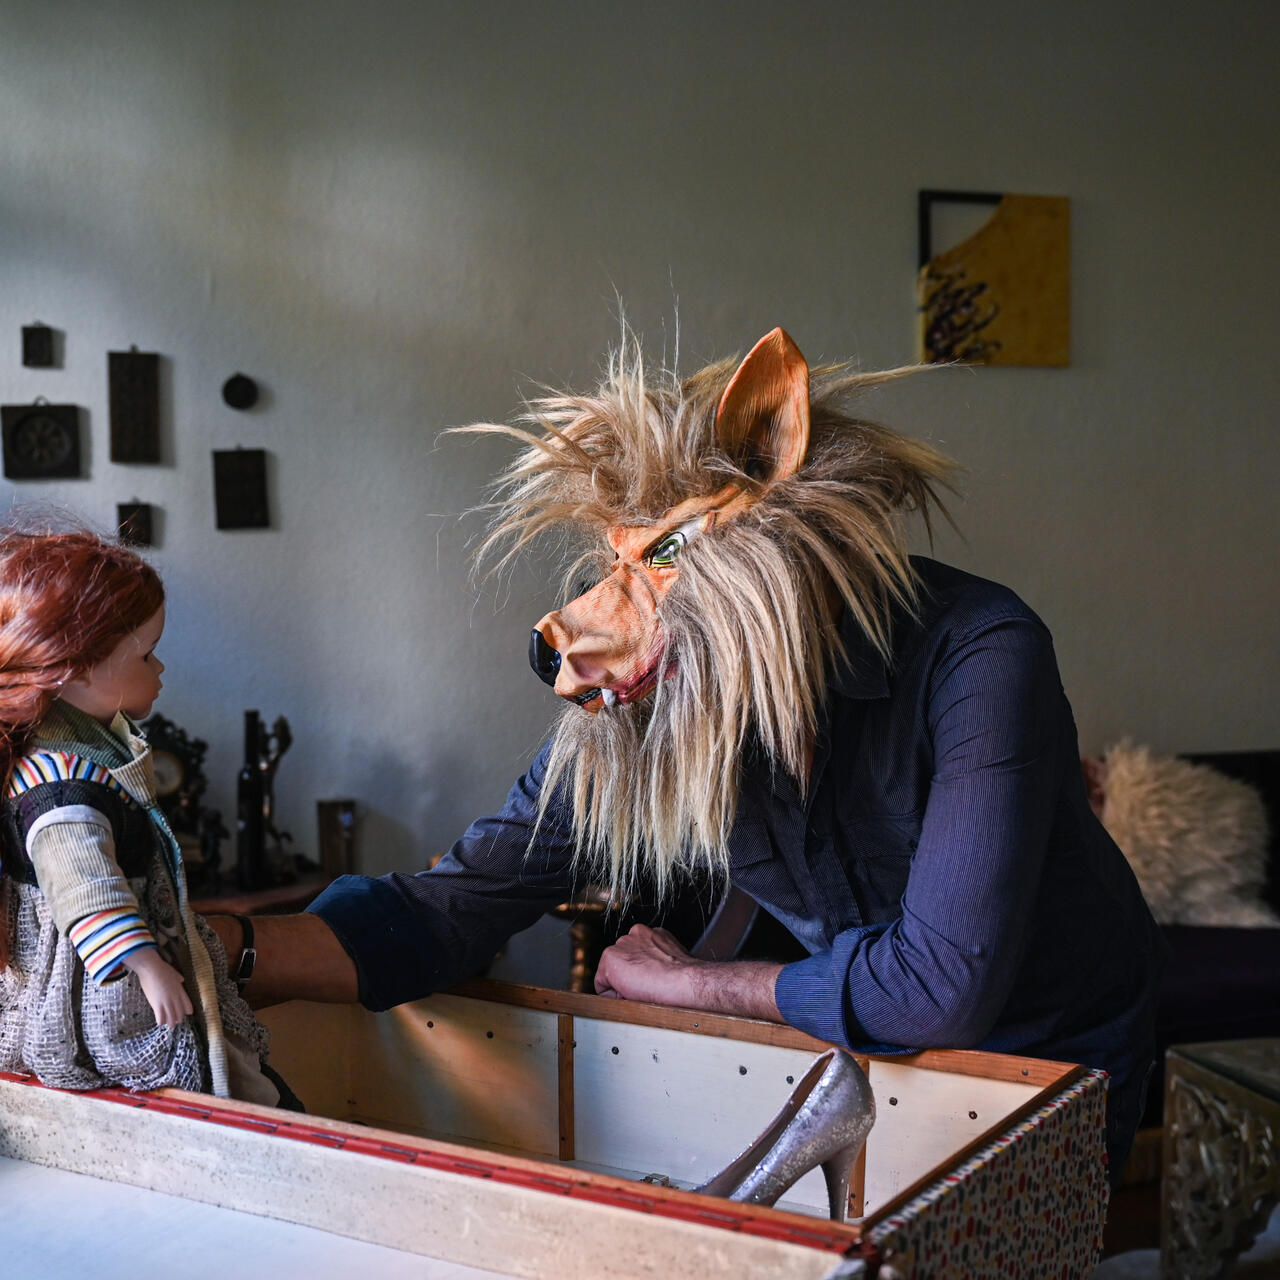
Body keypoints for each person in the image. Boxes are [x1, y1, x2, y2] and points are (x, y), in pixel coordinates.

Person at [207, 328, 1163, 1184]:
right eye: (615, 565)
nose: (598, 615)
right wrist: (219, 953)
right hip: (853, 1058)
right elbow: (459, 901)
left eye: (657, 562)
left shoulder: (981, 649)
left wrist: (696, 987)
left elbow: (939, 988)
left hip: (1049, 1059)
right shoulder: (646, 687)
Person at [0, 525, 279, 1104]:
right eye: (146, 654)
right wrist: (145, 963)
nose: (160, 669)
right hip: (105, 980)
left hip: (129, 954)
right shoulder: (62, 788)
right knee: (163, 1065)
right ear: (75, 668)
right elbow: (87, 891)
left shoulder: (89, 751)